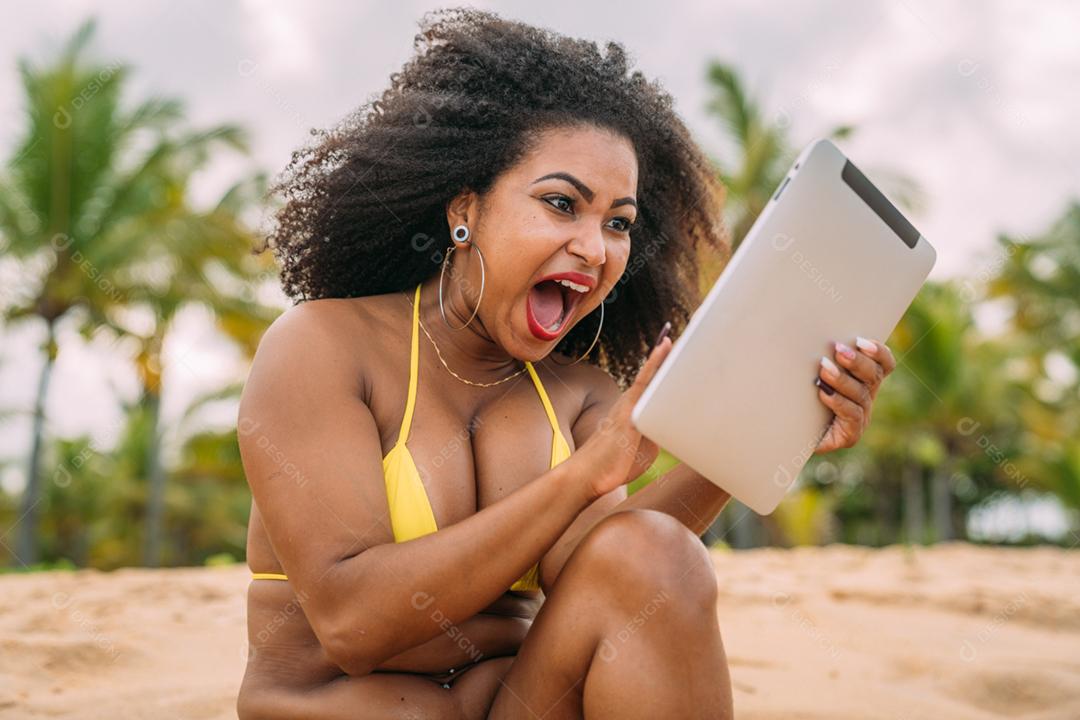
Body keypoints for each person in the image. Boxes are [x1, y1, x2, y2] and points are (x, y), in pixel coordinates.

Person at [236, 7, 896, 719]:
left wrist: (767, 423)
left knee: (657, 551)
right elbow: (351, 624)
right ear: (465, 211)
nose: (594, 248)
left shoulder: (579, 397)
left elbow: (621, 572)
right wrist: (585, 474)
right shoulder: (322, 346)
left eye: (618, 223)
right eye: (561, 204)